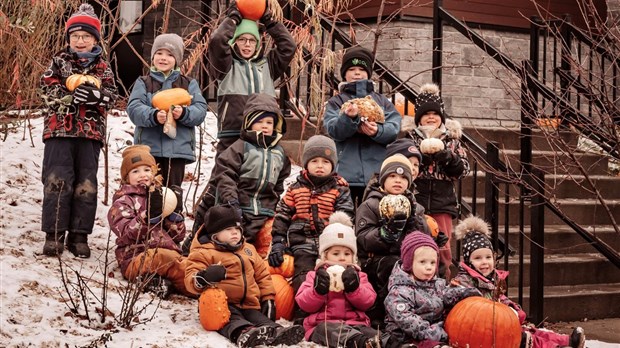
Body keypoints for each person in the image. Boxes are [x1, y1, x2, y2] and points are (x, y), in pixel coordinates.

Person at [195, 1, 297, 231]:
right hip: (232, 136)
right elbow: (216, 42)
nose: (247, 44)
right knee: (217, 188)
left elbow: (288, 46)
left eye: (251, 40)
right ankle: (197, 237)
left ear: (259, 42)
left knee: (250, 190)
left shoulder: (269, 65)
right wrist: (234, 19)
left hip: (262, 139)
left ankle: (247, 234)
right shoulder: (225, 65)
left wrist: (269, 21)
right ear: (235, 41)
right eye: (242, 39)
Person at [39, 3, 117, 258]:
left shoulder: (103, 67)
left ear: (95, 38)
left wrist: (97, 96)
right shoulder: (59, 62)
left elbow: (113, 96)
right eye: (75, 36)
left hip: (90, 134)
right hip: (59, 132)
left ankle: (79, 235)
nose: (80, 41)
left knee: (86, 184)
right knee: (57, 181)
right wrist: (70, 97)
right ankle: (54, 234)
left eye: (85, 36)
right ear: (69, 38)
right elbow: (47, 91)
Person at [451, 216, 586, 348]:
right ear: (469, 261)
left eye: (488, 257)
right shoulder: (464, 282)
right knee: (525, 338)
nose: (485, 262)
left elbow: (501, 299)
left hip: (498, 324)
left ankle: (567, 341)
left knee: (532, 331)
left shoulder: (492, 278)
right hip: (481, 331)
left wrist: (512, 309)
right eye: (478, 258)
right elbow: (468, 309)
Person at [184, 205, 305, 347]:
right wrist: (203, 277)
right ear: (214, 235)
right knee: (231, 321)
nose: (234, 233)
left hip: (249, 304)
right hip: (222, 306)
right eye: (228, 229)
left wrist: (268, 298)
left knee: (259, 318)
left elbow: (262, 276)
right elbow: (190, 277)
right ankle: (244, 333)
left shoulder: (248, 250)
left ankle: (277, 332)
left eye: (237, 229)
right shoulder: (204, 252)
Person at [192, 94, 291, 248]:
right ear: (249, 123)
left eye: (269, 122)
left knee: (254, 244)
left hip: (264, 210)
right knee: (232, 240)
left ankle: (249, 266)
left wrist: (273, 201)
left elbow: (280, 181)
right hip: (239, 206)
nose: (265, 126)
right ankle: (197, 251)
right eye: (259, 121)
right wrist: (231, 201)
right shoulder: (241, 147)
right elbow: (225, 174)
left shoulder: (280, 154)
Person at [269, 135, 354, 298]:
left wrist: (337, 236)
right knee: (304, 275)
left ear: (333, 165)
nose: (320, 166)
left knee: (334, 274)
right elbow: (282, 215)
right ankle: (304, 310)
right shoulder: (295, 189)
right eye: (315, 161)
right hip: (302, 244)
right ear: (306, 163)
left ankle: (332, 308)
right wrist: (278, 242)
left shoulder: (340, 189)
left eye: (326, 162)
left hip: (331, 245)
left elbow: (345, 215)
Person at [355, 154, 433, 328]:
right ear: (383, 180)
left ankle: (421, 311)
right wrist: (385, 233)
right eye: (392, 176)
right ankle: (383, 314)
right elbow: (363, 238)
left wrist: (416, 222)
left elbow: (425, 241)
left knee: (423, 268)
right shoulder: (370, 205)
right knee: (392, 266)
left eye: (403, 177)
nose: (398, 180)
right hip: (376, 258)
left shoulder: (416, 207)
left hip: (407, 259)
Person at [107, 145, 191, 298]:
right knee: (158, 257)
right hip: (137, 256)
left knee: (188, 270)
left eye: (147, 170)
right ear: (126, 177)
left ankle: (196, 287)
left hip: (169, 255)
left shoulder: (161, 196)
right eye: (135, 171)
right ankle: (156, 283)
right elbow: (125, 233)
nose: (142, 175)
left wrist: (175, 215)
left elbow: (177, 236)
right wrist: (146, 217)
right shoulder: (123, 202)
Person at [126, 33, 207, 190]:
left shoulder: (189, 84)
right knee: (150, 190)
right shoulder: (143, 82)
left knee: (173, 192)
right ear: (153, 56)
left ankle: (174, 214)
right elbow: (134, 108)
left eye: (170, 55)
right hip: (149, 150)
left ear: (177, 59)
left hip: (177, 151)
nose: (163, 58)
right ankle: (150, 215)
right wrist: (153, 115)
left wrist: (184, 113)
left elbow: (200, 110)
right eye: (159, 53)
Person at [405, 82, 469, 280]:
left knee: (443, 247)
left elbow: (463, 170)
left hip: (443, 201)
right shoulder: (410, 138)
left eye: (435, 113)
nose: (430, 117)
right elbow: (405, 166)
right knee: (418, 243)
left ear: (441, 117)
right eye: (425, 114)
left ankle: (443, 282)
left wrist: (448, 158)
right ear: (419, 119)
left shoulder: (451, 140)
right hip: (418, 198)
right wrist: (421, 158)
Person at [323, 45, 401, 207]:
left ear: (368, 73)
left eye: (361, 69)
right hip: (345, 174)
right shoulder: (336, 102)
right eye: (351, 69)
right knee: (345, 219)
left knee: (372, 218)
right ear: (344, 73)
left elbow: (394, 128)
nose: (357, 73)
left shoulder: (382, 102)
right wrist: (348, 118)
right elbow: (333, 130)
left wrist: (377, 131)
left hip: (376, 173)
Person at [295, 212, 384, 348]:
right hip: (323, 324)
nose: (342, 258)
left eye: (347, 253)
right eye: (336, 253)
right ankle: (361, 343)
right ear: (325, 255)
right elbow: (303, 303)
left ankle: (389, 343)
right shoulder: (315, 275)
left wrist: (355, 289)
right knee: (327, 330)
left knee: (371, 332)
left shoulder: (359, 275)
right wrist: (318, 291)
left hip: (355, 323)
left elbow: (369, 301)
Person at [384, 231, 480, 348]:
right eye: (422, 262)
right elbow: (407, 320)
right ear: (409, 263)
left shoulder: (436, 284)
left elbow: (446, 294)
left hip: (434, 334)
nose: (429, 267)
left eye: (432, 262)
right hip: (406, 338)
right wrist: (435, 333)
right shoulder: (400, 291)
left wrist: (465, 293)